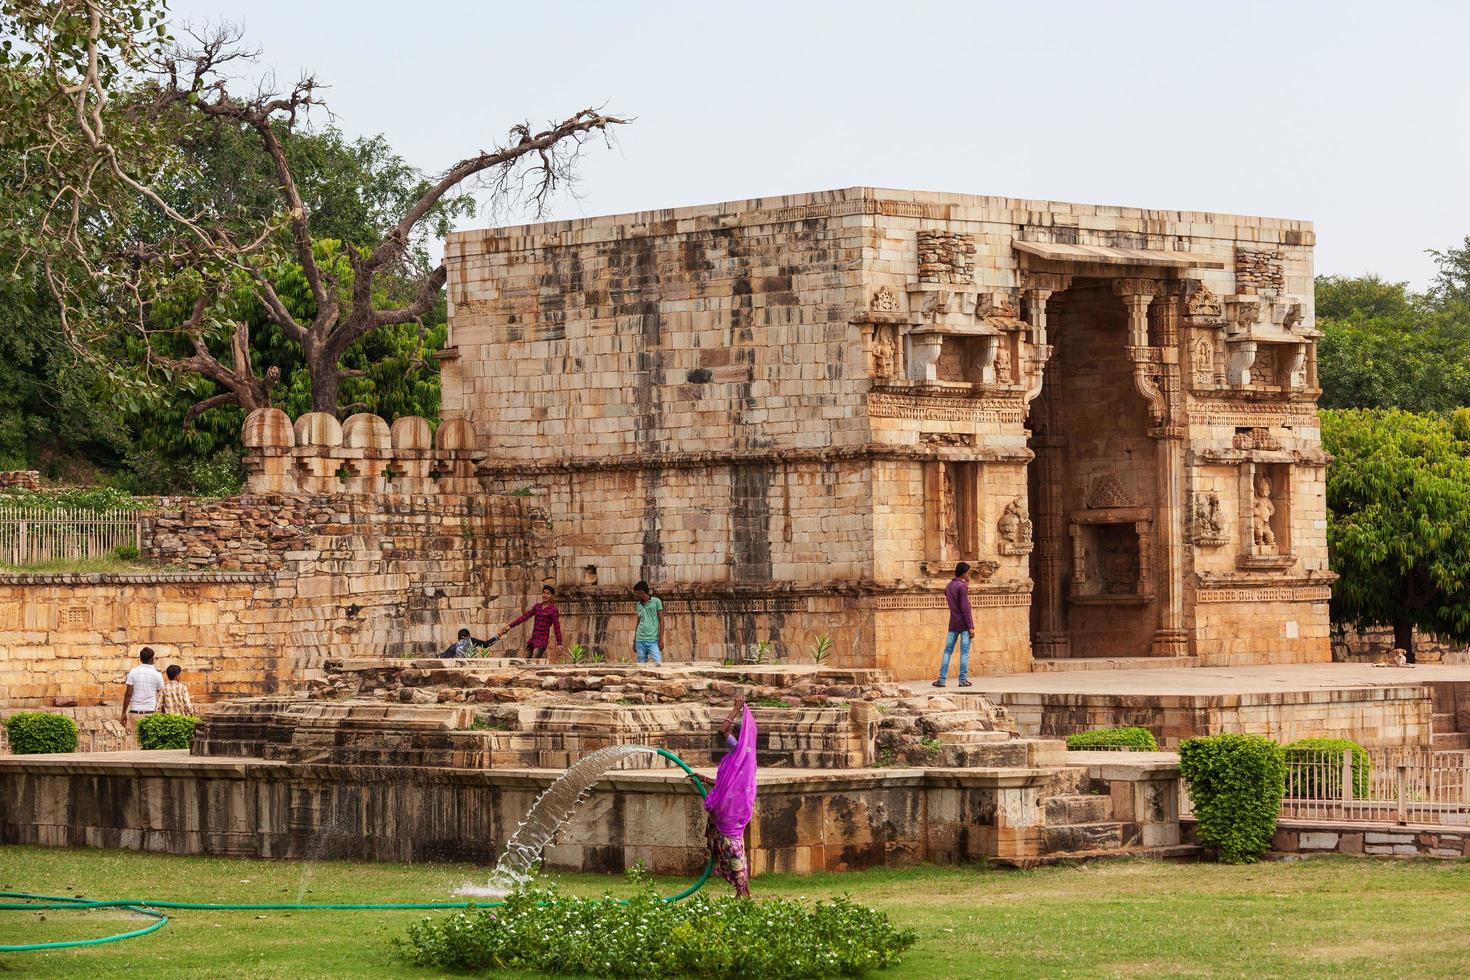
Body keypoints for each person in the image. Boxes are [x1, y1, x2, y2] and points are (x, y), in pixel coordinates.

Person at [703, 697, 757, 897]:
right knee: (730, 848)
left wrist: (735, 708)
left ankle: (742, 890)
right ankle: (741, 889)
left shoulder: (743, 753)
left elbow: (722, 731)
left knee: (732, 849)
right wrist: (703, 779)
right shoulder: (740, 758)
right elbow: (728, 785)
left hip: (731, 813)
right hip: (731, 810)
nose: (731, 738)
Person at [933, 562, 974, 688]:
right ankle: (962, 679)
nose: (969, 575)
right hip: (963, 624)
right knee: (964, 652)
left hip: (953, 623)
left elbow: (950, 598)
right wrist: (971, 626)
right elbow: (965, 608)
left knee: (947, 651)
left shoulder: (949, 586)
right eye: (968, 573)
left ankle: (942, 679)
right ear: (964, 573)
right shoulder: (962, 587)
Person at [500, 585, 564, 659]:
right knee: (525, 660)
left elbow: (557, 627)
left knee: (534, 661)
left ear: (552, 596)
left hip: (542, 641)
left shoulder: (553, 610)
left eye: (548, 593)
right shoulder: (537, 607)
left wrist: (559, 643)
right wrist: (510, 626)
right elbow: (524, 617)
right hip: (533, 639)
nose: (545, 595)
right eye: (544, 593)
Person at [120, 647, 165, 726]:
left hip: (135, 712)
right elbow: (162, 695)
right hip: (150, 713)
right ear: (152, 659)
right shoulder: (157, 675)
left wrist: (124, 713)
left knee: (135, 738)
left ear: (140, 659)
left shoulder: (133, 672)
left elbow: (128, 693)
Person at [632, 580, 665, 664]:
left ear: (641, 592)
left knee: (658, 663)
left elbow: (661, 621)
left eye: (636, 593)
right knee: (641, 664)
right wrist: (634, 641)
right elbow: (638, 623)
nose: (635, 595)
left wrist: (661, 639)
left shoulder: (656, 602)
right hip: (640, 640)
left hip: (653, 639)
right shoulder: (638, 604)